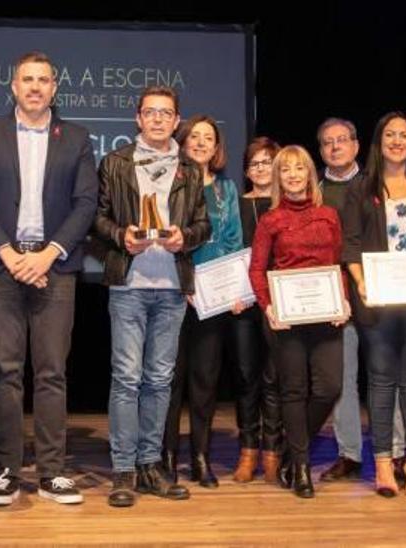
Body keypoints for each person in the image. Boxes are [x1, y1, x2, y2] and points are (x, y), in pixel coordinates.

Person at [0, 51, 98, 507]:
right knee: (5, 371)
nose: (36, 87)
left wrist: (47, 256)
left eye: (44, 80)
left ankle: (53, 471)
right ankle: (6, 470)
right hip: (1, 266)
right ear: (14, 87)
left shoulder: (76, 137)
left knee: (52, 372)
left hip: (54, 267)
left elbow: (85, 204)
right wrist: (11, 254)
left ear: (54, 89)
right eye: (27, 79)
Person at [94, 85, 209, 508]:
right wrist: (122, 236)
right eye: (150, 112)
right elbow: (98, 219)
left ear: (176, 121)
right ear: (138, 119)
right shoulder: (115, 163)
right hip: (128, 284)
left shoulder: (189, 169)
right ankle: (123, 469)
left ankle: (150, 465)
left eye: (166, 113)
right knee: (127, 378)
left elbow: (202, 224)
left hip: (172, 286)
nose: (158, 119)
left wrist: (187, 237)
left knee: (160, 380)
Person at [343, 112, 406, 498]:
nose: (397, 141)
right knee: (382, 382)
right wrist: (362, 282)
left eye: (404, 134)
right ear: (378, 141)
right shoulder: (359, 188)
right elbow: (350, 243)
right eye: (390, 134)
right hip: (378, 302)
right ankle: (384, 464)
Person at [249, 144, 350, 498]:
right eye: (285, 170)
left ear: (310, 173)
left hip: (325, 315)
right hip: (286, 318)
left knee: (329, 388)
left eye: (299, 168)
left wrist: (344, 301)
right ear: (278, 177)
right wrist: (268, 308)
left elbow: (339, 264)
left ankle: (294, 450)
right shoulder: (270, 219)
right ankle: (302, 468)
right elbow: (257, 270)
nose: (293, 175)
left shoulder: (329, 215)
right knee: (293, 390)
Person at [162, 114, 244, 489]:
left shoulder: (227, 189)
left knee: (204, 381)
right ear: (182, 140)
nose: (199, 142)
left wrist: (232, 291)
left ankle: (199, 456)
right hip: (173, 291)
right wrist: (186, 282)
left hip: (213, 298)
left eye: (207, 138)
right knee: (169, 381)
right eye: (193, 136)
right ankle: (165, 456)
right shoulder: (168, 181)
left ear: (216, 147)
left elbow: (233, 241)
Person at [313, 117, 364, 482]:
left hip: (380, 294)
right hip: (335, 299)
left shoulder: (379, 185)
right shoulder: (313, 191)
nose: (335, 147)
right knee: (343, 380)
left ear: (356, 146)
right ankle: (350, 454)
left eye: (341, 140)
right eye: (327, 142)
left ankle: (392, 453)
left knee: (386, 375)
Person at [233, 136, 284, 484]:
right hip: (242, 302)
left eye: (268, 161)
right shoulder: (236, 205)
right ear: (247, 169)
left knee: (275, 378)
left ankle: (273, 450)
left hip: (281, 303)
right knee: (247, 377)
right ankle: (248, 448)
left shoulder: (289, 205)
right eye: (255, 163)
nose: (262, 168)